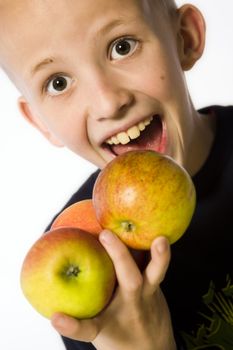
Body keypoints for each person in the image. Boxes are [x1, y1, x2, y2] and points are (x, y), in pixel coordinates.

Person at [1, 0, 233, 349]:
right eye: (58, 83)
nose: (108, 103)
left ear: (185, 38)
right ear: (39, 121)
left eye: (122, 47)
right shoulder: (78, 251)